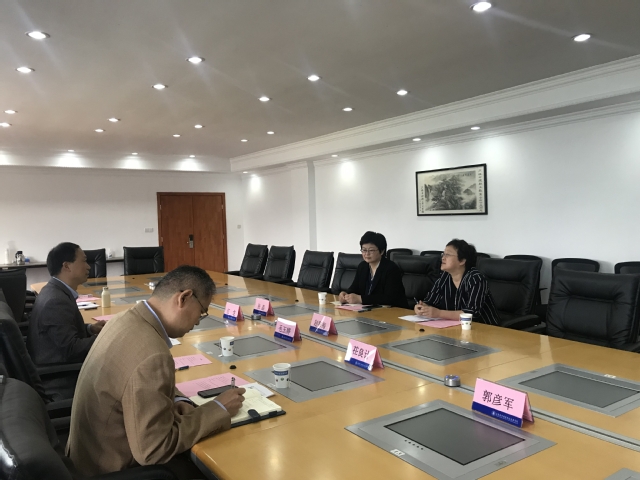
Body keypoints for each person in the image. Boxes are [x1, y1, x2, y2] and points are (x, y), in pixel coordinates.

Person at [66, 265, 245, 478]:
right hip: (112, 470)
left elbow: (135, 381)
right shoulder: (153, 355)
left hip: (85, 459)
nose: (198, 321)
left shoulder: (125, 320)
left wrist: (179, 399)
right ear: (184, 298)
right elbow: (154, 450)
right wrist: (218, 408)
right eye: (201, 312)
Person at [27, 242, 106, 400]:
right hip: (60, 378)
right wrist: (107, 336)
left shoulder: (53, 290)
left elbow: (63, 331)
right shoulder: (56, 301)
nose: (88, 266)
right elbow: (71, 349)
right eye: (84, 261)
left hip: (55, 364)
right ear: (67, 266)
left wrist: (90, 329)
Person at [414, 239, 500, 325]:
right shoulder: (445, 276)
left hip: (484, 327)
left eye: (448, 255)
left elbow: (471, 313)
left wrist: (439, 313)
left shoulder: (476, 279)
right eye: (443, 254)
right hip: (454, 326)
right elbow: (430, 301)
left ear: (462, 260)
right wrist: (421, 308)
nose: (443, 258)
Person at [339, 231, 409, 309]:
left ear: (382, 251)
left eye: (371, 250)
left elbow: (389, 298)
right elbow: (354, 288)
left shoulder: (391, 268)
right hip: (370, 309)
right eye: (364, 250)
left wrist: (361, 299)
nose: (367, 254)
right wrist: (345, 294)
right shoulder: (362, 266)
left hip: (394, 311)